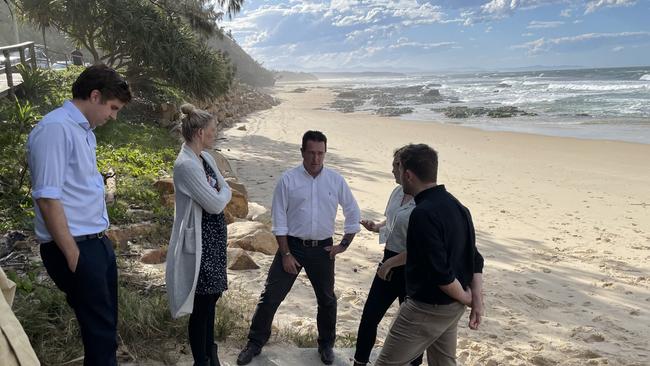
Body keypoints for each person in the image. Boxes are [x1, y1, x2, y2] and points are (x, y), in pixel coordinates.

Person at [27, 64, 132, 366]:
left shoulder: (83, 131)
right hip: (74, 247)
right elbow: (48, 198)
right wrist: (74, 256)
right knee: (99, 333)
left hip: (95, 244)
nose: (113, 116)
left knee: (105, 328)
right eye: (112, 108)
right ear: (95, 96)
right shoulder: (55, 128)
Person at [237, 130, 361, 365]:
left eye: (320, 153)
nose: (316, 158)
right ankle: (254, 343)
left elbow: (353, 212)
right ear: (302, 152)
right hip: (292, 246)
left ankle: (326, 345)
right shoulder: (288, 180)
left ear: (325, 153)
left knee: (327, 300)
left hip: (323, 249)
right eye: (311, 153)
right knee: (271, 297)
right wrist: (285, 254)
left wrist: (343, 245)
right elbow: (279, 220)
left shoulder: (335, 180)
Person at [375, 144, 484, 366]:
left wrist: (467, 298)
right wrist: (476, 301)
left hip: (427, 307)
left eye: (400, 169)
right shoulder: (457, 206)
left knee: (386, 364)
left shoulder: (422, 214)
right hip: (452, 309)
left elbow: (440, 274)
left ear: (408, 175)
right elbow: (475, 258)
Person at [166, 104, 232, 366]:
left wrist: (220, 195)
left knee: (212, 298)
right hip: (200, 242)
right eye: (213, 130)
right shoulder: (186, 165)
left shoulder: (205, 158)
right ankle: (201, 360)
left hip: (213, 238)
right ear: (200, 132)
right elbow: (216, 203)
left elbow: (224, 186)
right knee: (203, 303)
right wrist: (221, 197)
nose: (215, 133)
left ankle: (210, 352)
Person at [353, 147, 422, 366]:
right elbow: (391, 221)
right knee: (369, 317)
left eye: (395, 165)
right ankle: (360, 362)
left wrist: (390, 263)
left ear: (407, 170)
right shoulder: (397, 192)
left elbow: (421, 248)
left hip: (411, 269)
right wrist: (376, 227)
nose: (392, 170)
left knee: (411, 327)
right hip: (388, 260)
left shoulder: (424, 203)